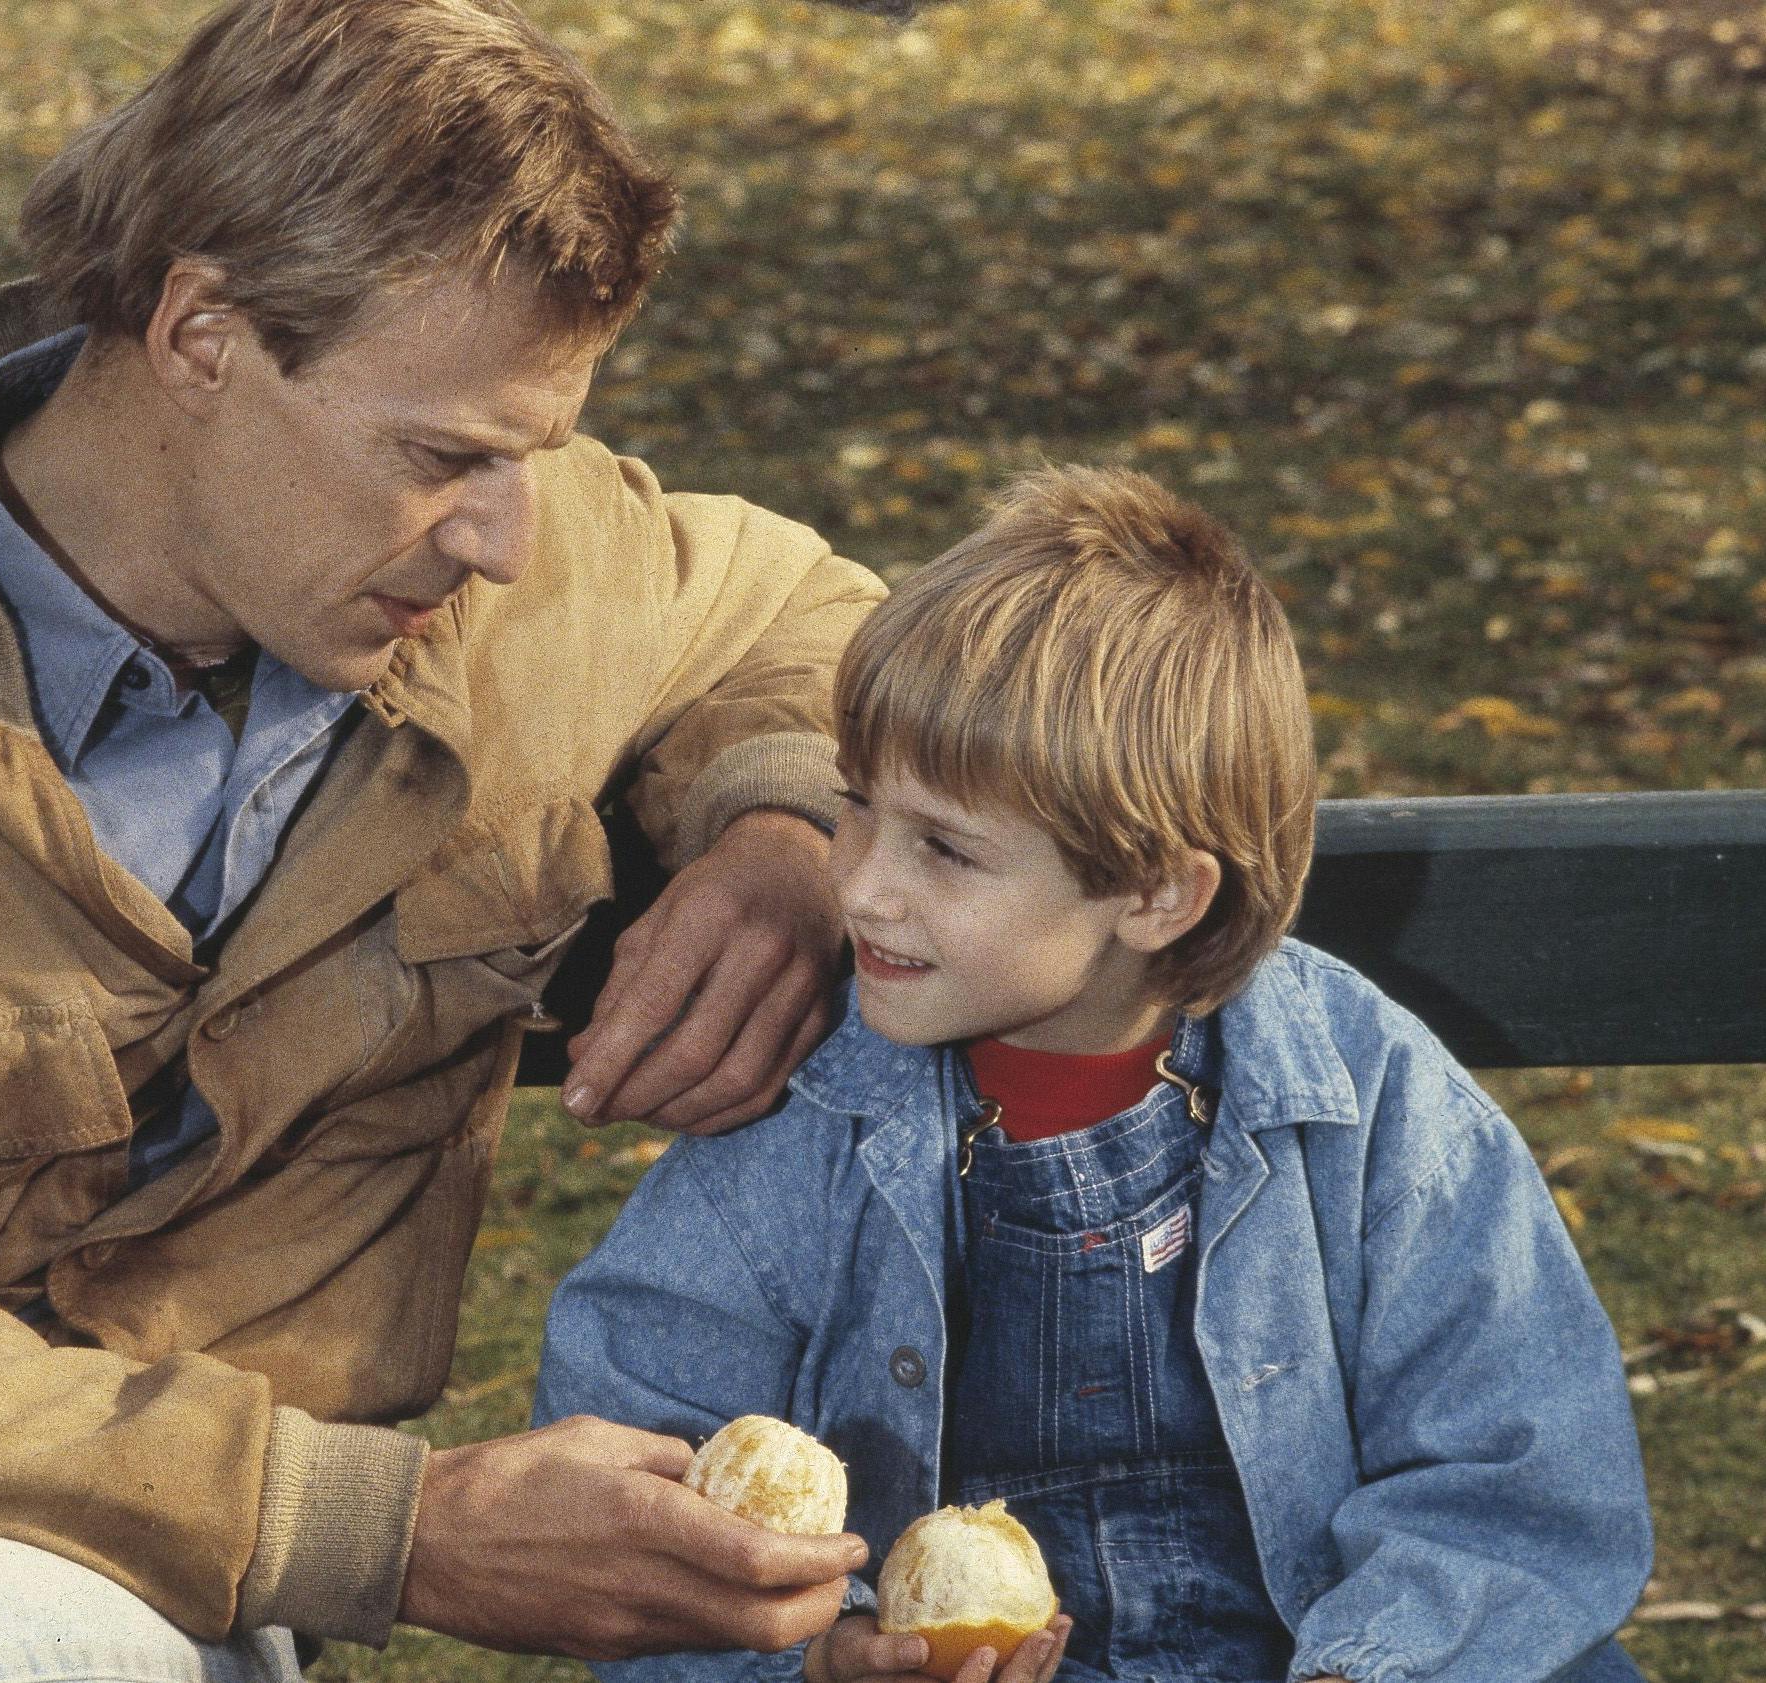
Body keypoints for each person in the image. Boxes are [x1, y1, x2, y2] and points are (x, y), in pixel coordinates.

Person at [0, 0, 891, 1676]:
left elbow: (815, 619)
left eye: (531, 451)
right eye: (443, 453)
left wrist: (783, 823)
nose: (510, 537)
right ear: (199, 338)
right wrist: (393, 1526)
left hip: (149, 1593)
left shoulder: (508, 568)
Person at [534, 465, 1654, 1683]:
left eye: (944, 849)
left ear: (1157, 893)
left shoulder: (1369, 1100)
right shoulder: (806, 1111)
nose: (856, 885)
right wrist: (828, 1652)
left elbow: (1518, 1473)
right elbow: (639, 1434)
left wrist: (1374, 1664)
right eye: (856, 809)